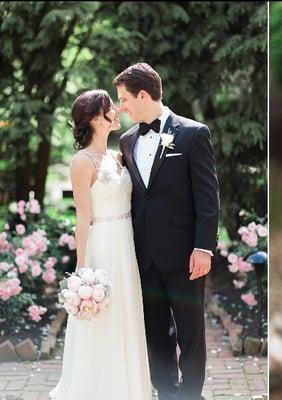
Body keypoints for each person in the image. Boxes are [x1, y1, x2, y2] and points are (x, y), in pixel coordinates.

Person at [115, 63, 220, 400]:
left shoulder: (193, 133)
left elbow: (208, 197)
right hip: (143, 255)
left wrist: (203, 247)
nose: (122, 107)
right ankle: (166, 391)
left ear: (143, 95)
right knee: (155, 330)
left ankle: (191, 394)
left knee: (191, 331)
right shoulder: (128, 141)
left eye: (125, 99)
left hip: (184, 255)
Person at [49, 89, 152, 400]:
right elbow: (83, 218)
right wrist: (82, 267)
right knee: (102, 318)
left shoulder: (118, 155)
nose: (117, 112)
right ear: (96, 118)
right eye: (111, 108)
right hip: (103, 244)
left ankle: (129, 388)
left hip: (126, 243)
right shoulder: (82, 162)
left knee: (126, 312)